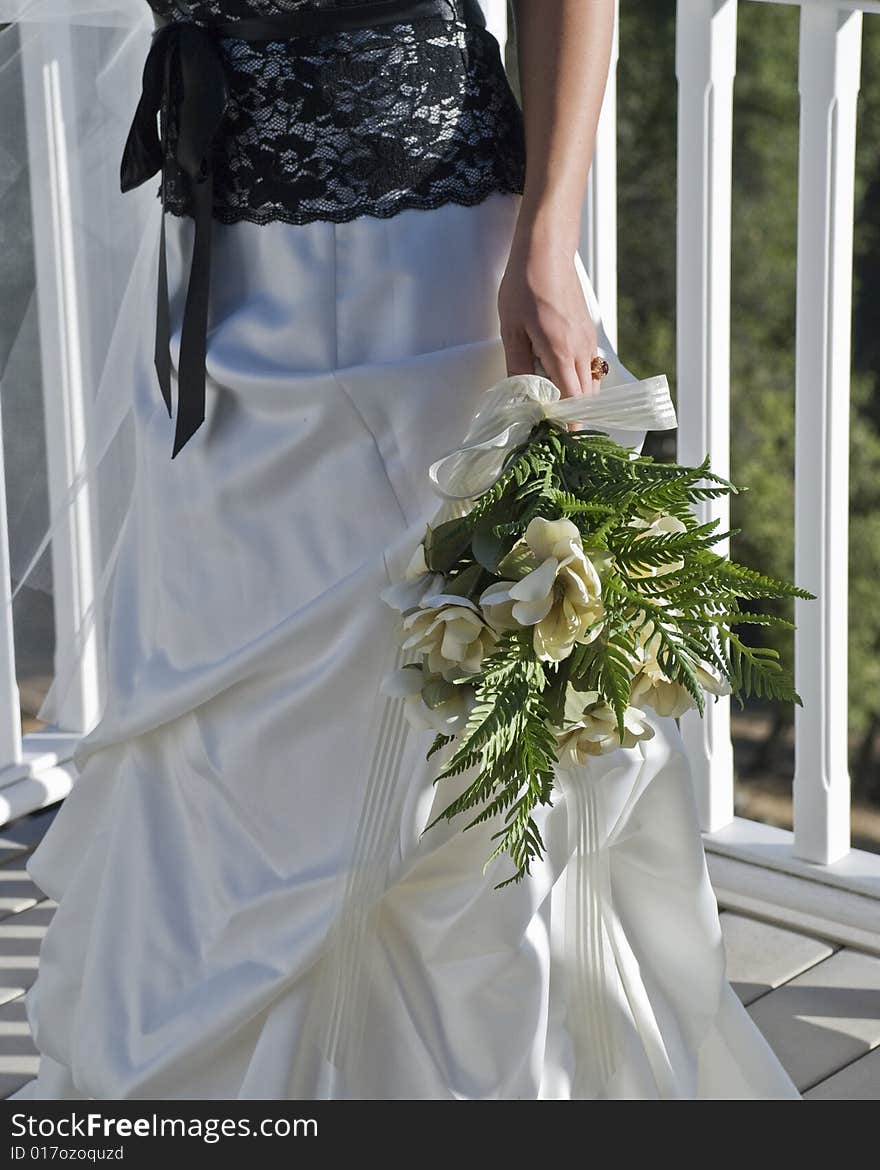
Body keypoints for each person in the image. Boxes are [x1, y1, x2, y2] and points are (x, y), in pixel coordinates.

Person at [6, 0, 800, 1099]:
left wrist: (549, 245)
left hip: (419, 272)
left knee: (455, 735)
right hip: (220, 261)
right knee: (217, 739)